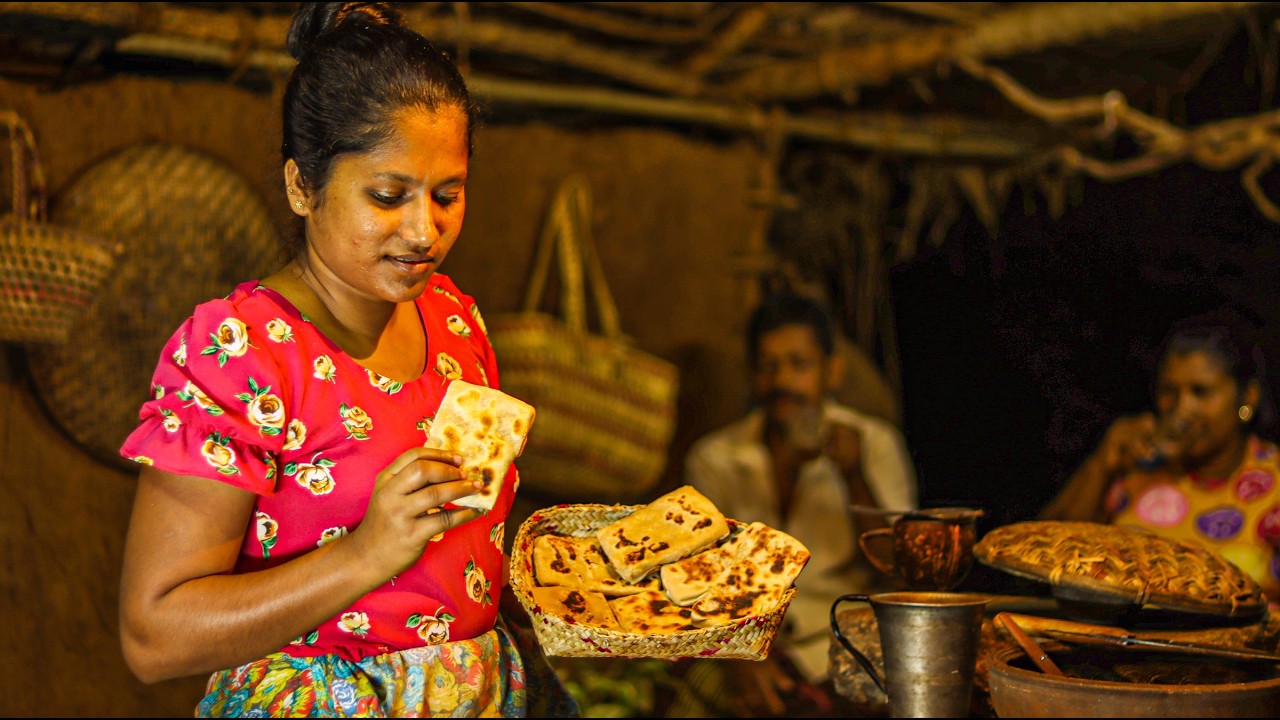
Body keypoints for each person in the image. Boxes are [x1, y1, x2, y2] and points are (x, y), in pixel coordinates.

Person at [116, 3, 576, 716]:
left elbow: (455, 565)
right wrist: (365, 554)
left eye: (447, 195)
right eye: (388, 196)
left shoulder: (454, 320)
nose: (425, 230)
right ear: (304, 187)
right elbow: (154, 638)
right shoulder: (241, 353)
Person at [674, 290, 919, 717]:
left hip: (845, 638)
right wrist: (737, 651)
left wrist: (854, 475)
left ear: (832, 371)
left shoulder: (874, 445)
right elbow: (698, 578)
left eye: (799, 364)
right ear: (753, 376)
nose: (783, 381)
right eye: (769, 367)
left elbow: (897, 567)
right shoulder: (714, 458)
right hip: (745, 637)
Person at [1040, 308, 1280, 604]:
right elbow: (1046, 555)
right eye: (1169, 391)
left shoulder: (1273, 481)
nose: (1182, 409)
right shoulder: (1139, 467)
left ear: (1248, 397)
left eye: (1200, 392)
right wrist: (1102, 464)